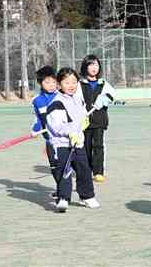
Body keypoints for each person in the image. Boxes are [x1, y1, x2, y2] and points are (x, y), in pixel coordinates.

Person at [47, 67, 99, 212]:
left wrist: (84, 122)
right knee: (64, 170)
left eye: (74, 82)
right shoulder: (56, 102)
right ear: (59, 84)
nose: (71, 85)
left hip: (78, 143)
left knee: (84, 169)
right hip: (62, 144)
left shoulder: (78, 99)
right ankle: (63, 198)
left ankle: (87, 196)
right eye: (67, 82)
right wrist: (70, 133)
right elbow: (57, 126)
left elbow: (82, 116)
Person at [79, 55, 115, 183]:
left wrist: (105, 98)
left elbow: (112, 95)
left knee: (98, 146)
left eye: (96, 65)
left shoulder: (103, 83)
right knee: (86, 146)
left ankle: (98, 171)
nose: (94, 68)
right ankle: (87, 170)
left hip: (99, 120)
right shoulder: (80, 84)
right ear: (85, 67)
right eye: (91, 65)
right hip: (85, 121)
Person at [31, 66, 59, 195]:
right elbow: (38, 119)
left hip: (65, 138)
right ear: (41, 83)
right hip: (50, 139)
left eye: (54, 82)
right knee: (53, 165)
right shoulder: (37, 100)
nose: (52, 85)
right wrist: (35, 130)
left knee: (70, 165)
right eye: (48, 82)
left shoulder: (61, 96)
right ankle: (61, 187)